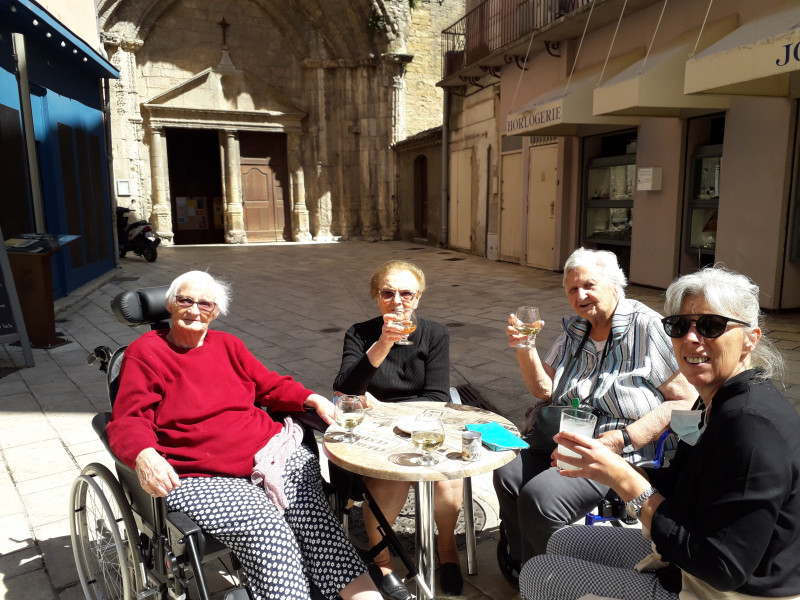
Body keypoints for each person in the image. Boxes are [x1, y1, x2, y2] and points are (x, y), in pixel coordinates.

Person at [521, 265, 800, 600]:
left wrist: (627, 482)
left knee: (539, 576)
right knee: (563, 539)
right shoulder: (710, 402)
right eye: (679, 326)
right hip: (688, 554)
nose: (691, 338)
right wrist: (612, 466)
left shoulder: (750, 426)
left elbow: (723, 568)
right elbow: (681, 481)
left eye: (711, 326)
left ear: (749, 340)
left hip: (720, 588)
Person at [106, 271, 383, 600]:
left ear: (216, 312)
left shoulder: (228, 345)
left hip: (270, 453)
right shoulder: (145, 352)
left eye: (205, 304)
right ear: (170, 304)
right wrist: (144, 454)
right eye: (185, 300)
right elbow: (129, 418)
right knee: (270, 536)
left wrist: (312, 398)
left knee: (320, 528)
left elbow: (269, 385)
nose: (195, 310)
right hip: (199, 474)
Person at [493, 247, 695, 582]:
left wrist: (622, 438)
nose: (580, 295)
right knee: (508, 474)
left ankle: (555, 580)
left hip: (617, 449)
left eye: (589, 285)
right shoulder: (576, 329)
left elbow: (685, 399)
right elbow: (544, 390)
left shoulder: (646, 327)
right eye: (572, 289)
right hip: (563, 437)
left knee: (541, 497)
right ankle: (524, 562)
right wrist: (525, 348)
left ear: (616, 285)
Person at [334, 260, 463, 598]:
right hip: (372, 430)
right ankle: (382, 560)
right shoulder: (360, 333)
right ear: (377, 297)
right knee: (391, 484)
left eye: (406, 293)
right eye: (388, 293)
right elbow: (347, 388)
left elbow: (436, 396)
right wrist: (383, 344)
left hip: (422, 424)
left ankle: (447, 549)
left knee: (449, 479)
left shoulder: (434, 333)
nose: (397, 301)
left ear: (418, 298)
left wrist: (384, 407)